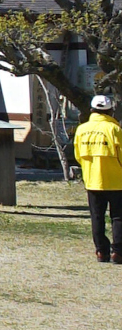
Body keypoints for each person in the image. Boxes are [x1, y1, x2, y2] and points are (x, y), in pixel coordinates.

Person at [74, 94, 122, 264]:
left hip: (92, 180)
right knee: (118, 217)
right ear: (110, 111)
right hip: (117, 181)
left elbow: (78, 156)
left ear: (92, 110)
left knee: (97, 216)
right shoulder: (114, 129)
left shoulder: (82, 129)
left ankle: (101, 252)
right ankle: (118, 252)